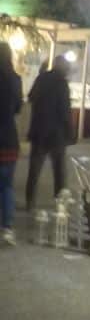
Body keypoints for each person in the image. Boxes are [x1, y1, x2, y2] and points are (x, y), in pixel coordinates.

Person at [25, 56, 71, 209]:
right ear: (63, 68)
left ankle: (30, 201)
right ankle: (59, 202)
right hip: (56, 134)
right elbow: (65, 111)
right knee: (59, 171)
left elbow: (30, 97)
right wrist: (70, 132)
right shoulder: (62, 83)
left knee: (34, 170)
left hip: (39, 131)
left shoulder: (41, 78)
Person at [0, 44, 20, 244]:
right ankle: (7, 228)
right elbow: (18, 108)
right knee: (7, 186)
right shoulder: (15, 79)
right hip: (9, 140)